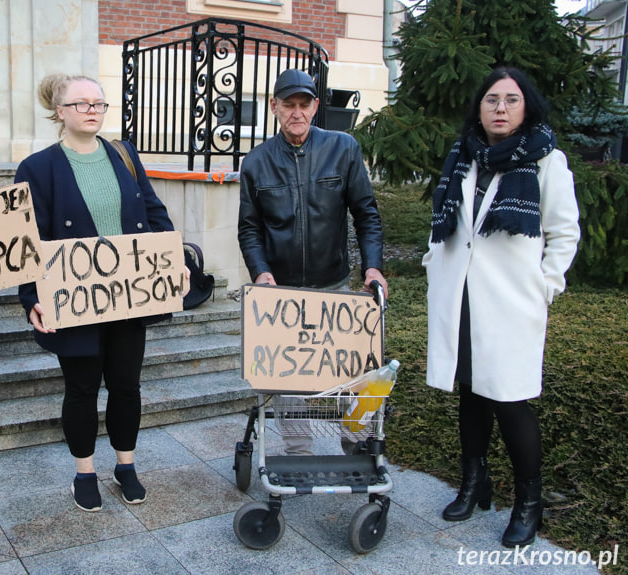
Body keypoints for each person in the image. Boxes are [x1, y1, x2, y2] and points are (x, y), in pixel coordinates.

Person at [423, 66, 580, 548]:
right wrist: (433, 262)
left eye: (511, 100)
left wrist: (545, 285)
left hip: (512, 304)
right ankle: (476, 483)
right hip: (461, 296)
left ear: (525, 106)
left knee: (511, 402)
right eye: (492, 99)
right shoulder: (464, 158)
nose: (500, 108)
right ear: (480, 107)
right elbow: (446, 221)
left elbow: (563, 232)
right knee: (471, 393)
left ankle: (527, 505)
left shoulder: (546, 161)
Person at [15, 73, 186, 512]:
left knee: (127, 386)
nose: (92, 110)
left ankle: (125, 466)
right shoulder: (38, 168)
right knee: (82, 388)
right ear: (60, 112)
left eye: (99, 103)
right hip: (74, 300)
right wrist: (32, 298)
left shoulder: (124, 156)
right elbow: (27, 241)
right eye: (81, 103)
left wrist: (173, 259)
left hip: (130, 297)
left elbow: (153, 212)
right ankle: (85, 471)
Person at [237, 68, 388, 455]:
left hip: (333, 285)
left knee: (352, 368)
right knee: (287, 374)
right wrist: (262, 273)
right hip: (283, 291)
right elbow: (249, 229)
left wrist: (372, 266)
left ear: (316, 106)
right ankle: (298, 450)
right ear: (274, 107)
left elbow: (366, 213)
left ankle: (355, 436)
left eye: (305, 104)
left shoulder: (343, 149)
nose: (297, 113)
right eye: (289, 105)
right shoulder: (256, 162)